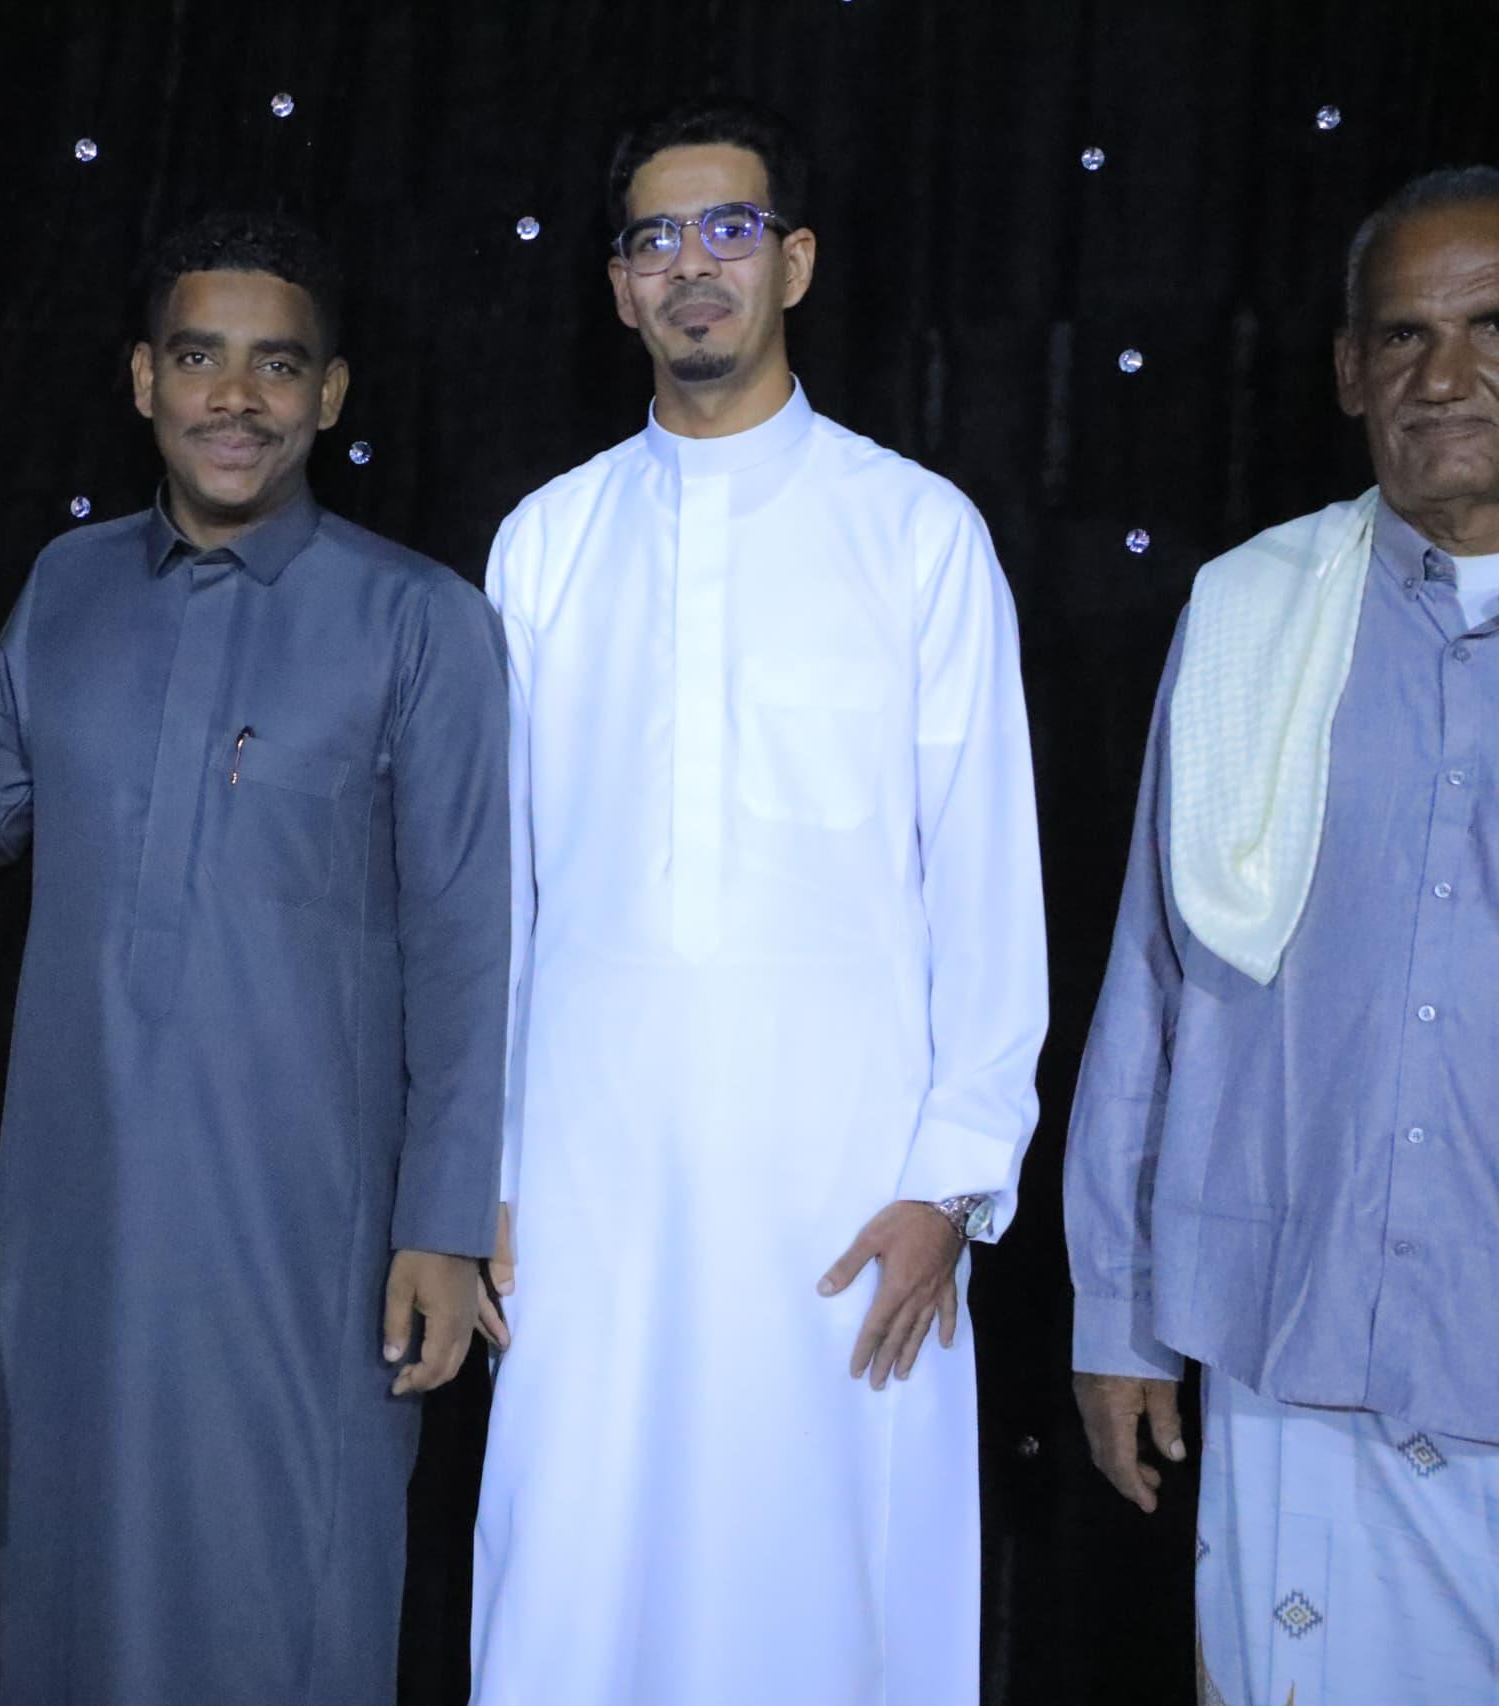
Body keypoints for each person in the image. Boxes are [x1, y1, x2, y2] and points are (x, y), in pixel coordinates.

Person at [469, 97, 1048, 1706]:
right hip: (586, 1184)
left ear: (793, 261)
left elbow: (987, 881)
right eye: (655, 239)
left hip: (847, 1192)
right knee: (578, 1583)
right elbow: (494, 904)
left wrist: (953, 1181)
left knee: (826, 1598)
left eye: (729, 228)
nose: (692, 266)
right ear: (619, 288)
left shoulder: (917, 533)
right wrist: (488, 1177)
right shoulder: (545, 544)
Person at [0, 211, 509, 1705]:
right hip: (70, 1206)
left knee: (282, 1573)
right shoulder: (66, 586)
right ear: (145, 378)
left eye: (278, 365)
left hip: (300, 1222)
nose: (235, 398)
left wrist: (444, 1221)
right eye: (200, 358)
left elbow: (471, 940)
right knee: (49, 1555)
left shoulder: (420, 620)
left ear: (330, 394)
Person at [1066, 166, 1499, 1706]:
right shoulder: (1253, 613)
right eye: (1404, 336)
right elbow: (1154, 981)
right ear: (1349, 371)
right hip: (1290, 1336)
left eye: (1491, 327)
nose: (1446, 375)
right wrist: (1118, 1312)